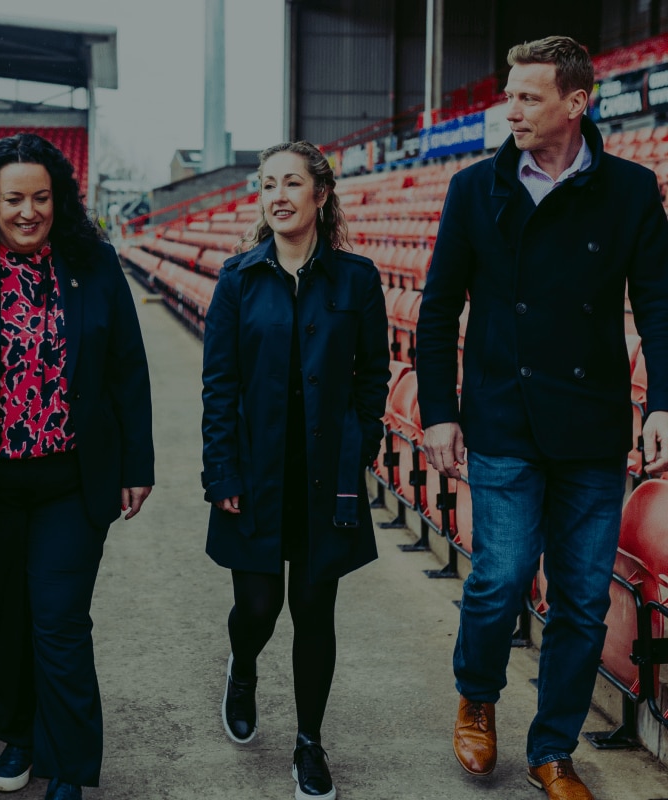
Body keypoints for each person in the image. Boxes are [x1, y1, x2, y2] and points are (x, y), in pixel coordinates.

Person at [416, 35, 668, 800]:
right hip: (502, 414)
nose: (512, 111)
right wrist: (438, 412)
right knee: (500, 577)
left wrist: (663, 400)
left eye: (529, 97)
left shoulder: (630, 189)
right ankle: (477, 695)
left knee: (583, 602)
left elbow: (658, 304)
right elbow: (437, 309)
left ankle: (552, 750)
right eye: (510, 96)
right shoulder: (475, 188)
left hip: (591, 424)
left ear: (576, 103)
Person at [0, 133, 154, 800]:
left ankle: (69, 766)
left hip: (70, 480)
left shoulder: (94, 263)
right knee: (6, 619)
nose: (28, 211)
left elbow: (127, 366)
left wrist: (137, 462)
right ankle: (21, 736)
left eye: (41, 197)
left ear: (59, 198)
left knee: (60, 621)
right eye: (14, 199)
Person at [201, 140, 389, 800]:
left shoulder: (357, 279)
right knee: (258, 606)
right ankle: (243, 666)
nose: (277, 195)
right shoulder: (237, 279)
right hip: (254, 473)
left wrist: (359, 446)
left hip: (324, 477)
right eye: (267, 184)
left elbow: (374, 376)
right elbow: (219, 386)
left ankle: (309, 742)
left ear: (321, 193)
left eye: (290, 182)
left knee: (314, 610)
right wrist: (221, 473)